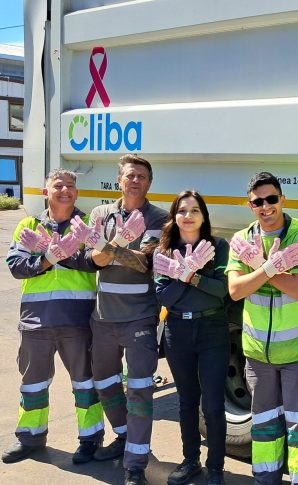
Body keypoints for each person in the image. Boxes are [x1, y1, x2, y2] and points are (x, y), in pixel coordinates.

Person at [72, 154, 168, 485]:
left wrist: (110, 249)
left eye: (142, 176)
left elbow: (145, 263)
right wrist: (119, 244)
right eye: (130, 175)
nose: (135, 180)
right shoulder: (101, 214)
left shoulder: (161, 219)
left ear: (149, 182)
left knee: (140, 391)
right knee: (106, 383)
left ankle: (136, 464)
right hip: (103, 319)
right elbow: (94, 260)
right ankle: (125, 436)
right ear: (119, 180)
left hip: (139, 319)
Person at [226, 172, 298, 485]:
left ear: (282, 199)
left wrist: (259, 268)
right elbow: (235, 291)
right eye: (258, 201)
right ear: (249, 205)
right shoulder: (241, 240)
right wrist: (269, 267)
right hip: (257, 355)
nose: (265, 206)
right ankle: (265, 480)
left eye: (271, 199)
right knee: (265, 426)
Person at [2, 169, 105, 465]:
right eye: (58, 185)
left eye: (70, 186)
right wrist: (48, 258)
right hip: (36, 320)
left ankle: (90, 440)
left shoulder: (86, 225)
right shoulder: (28, 224)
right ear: (46, 191)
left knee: (85, 384)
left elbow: (94, 264)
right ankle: (30, 439)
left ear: (77, 192)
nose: (65, 190)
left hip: (78, 320)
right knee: (33, 384)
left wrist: (65, 255)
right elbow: (16, 265)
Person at [154, 191, 229, 485]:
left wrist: (190, 275)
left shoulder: (218, 247)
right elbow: (164, 297)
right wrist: (182, 274)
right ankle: (190, 460)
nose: (188, 215)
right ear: (174, 216)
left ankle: (216, 468)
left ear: (203, 216)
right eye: (182, 210)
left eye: (195, 210)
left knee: (212, 404)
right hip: (177, 331)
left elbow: (222, 291)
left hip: (212, 329)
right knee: (187, 401)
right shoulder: (164, 252)